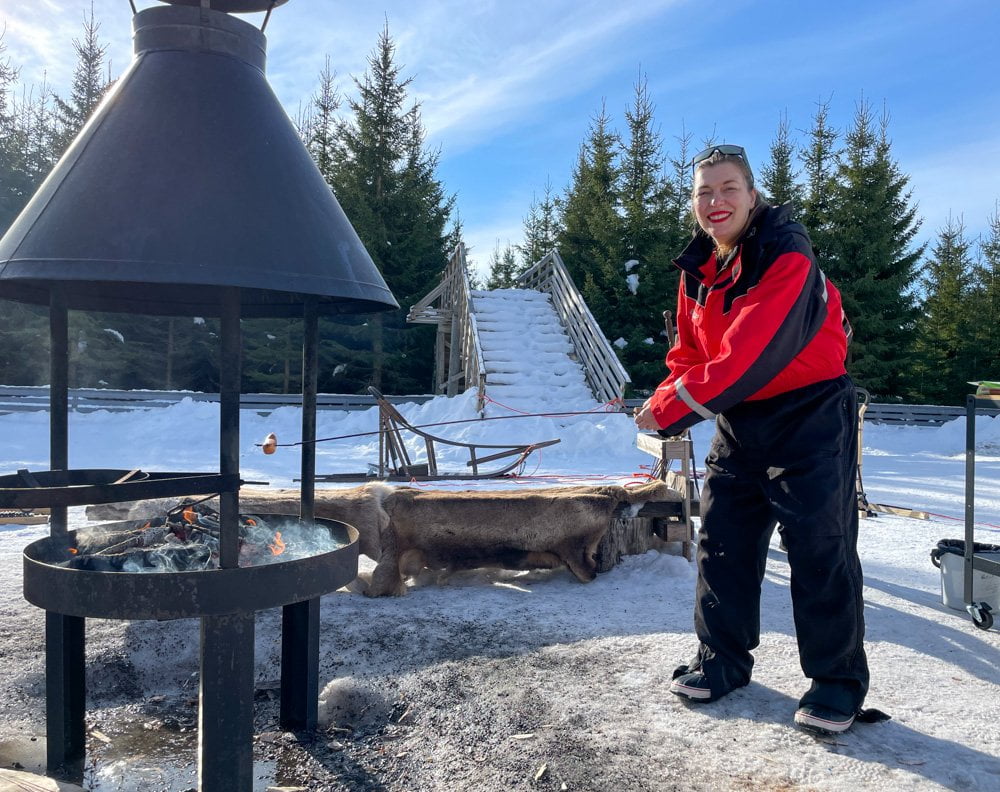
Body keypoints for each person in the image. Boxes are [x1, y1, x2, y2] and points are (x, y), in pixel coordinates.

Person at [634, 144, 873, 736]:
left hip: (811, 413)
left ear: (752, 195)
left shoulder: (786, 254)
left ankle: (835, 681)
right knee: (723, 539)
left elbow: (749, 351)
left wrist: (669, 410)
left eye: (728, 189)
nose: (715, 202)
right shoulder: (698, 270)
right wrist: (663, 396)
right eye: (704, 192)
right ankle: (721, 659)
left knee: (820, 546)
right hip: (740, 417)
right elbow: (691, 354)